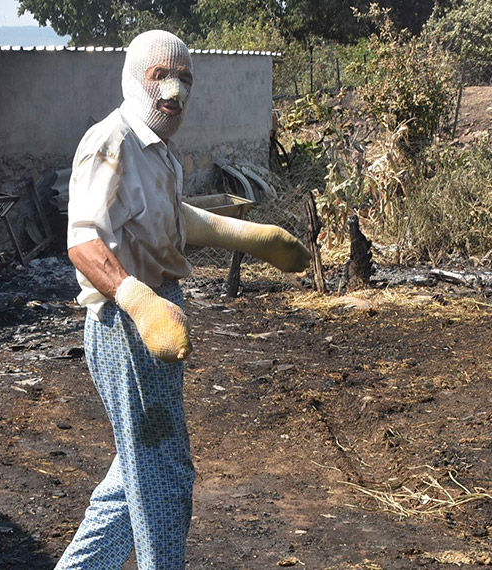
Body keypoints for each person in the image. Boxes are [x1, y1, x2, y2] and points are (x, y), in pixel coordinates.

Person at [57, 30, 310, 570]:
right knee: (164, 476)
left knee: (135, 472)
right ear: (132, 78)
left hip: (156, 314)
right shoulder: (112, 142)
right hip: (127, 324)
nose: (174, 91)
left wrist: (251, 237)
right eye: (161, 77)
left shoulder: (160, 151)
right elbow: (83, 241)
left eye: (185, 80)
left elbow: (175, 219)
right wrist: (139, 301)